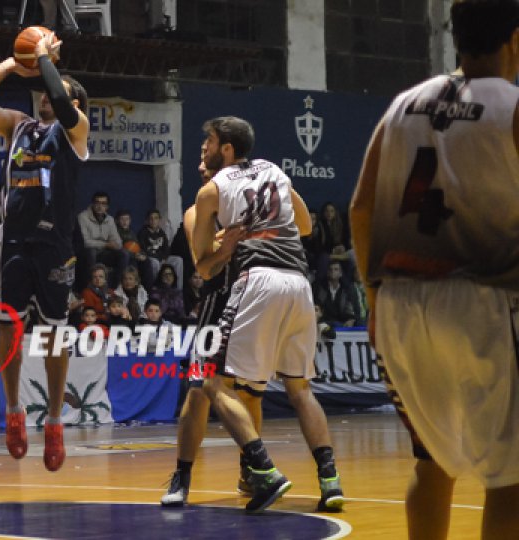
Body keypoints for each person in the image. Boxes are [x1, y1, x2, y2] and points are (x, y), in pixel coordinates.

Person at [350, 2, 519, 537]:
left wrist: (374, 298)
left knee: (432, 462)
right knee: (511, 479)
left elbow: (360, 208)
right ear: (514, 40)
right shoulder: (512, 107)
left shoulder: (405, 103)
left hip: (402, 306)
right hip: (484, 304)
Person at [190, 116, 343, 513]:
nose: (204, 148)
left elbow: (204, 268)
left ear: (226, 148)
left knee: (212, 383)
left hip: (258, 282)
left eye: (208, 141)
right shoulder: (275, 170)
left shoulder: (211, 190)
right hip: (299, 282)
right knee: (300, 389)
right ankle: (330, 480)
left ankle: (264, 469)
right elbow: (306, 226)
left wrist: (227, 246)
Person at [0, 30, 89, 471]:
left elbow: (60, 92)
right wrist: (10, 66)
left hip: (55, 244)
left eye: (56, 94)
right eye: (43, 94)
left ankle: (54, 421)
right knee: (9, 330)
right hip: (13, 240)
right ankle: (14, 412)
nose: (46, 98)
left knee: (55, 334)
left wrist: (44, 59)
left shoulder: (77, 132)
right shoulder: (18, 126)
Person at [162, 161, 261, 507]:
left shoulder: (253, 203)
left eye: (208, 159)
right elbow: (204, 266)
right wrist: (225, 244)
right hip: (218, 301)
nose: (201, 165)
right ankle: (182, 476)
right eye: (200, 161)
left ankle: (251, 471)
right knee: (198, 390)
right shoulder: (197, 211)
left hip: (253, 299)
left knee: (250, 391)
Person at [77, 192, 130, 289]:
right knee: (91, 252)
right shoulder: (83, 217)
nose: (100, 206)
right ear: (93, 204)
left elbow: (118, 241)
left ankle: (115, 288)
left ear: (107, 206)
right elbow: (85, 242)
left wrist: (115, 245)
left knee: (124, 253)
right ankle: (91, 288)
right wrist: (106, 244)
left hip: (104, 253)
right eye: (97, 203)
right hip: (87, 252)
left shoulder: (110, 219)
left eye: (103, 204)